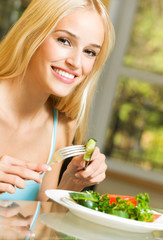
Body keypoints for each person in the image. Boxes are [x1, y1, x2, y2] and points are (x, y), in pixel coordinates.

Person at [0, 0, 115, 201]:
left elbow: (40, 225)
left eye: (90, 52)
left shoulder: (62, 126)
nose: (76, 62)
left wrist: (72, 183)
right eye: (64, 40)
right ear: (32, 33)